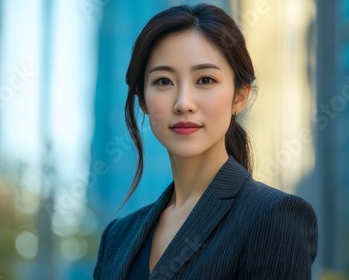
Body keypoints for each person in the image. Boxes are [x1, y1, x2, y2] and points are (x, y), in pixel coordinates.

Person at [93, 3, 318, 280]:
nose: (183, 103)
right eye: (163, 81)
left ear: (239, 96)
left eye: (205, 79)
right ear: (143, 101)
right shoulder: (116, 238)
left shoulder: (274, 217)